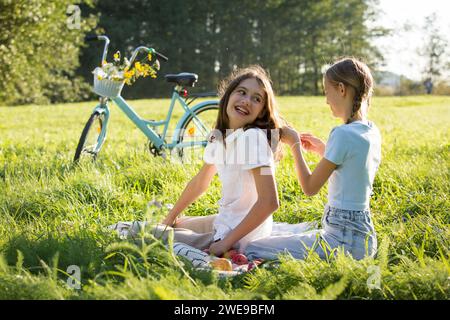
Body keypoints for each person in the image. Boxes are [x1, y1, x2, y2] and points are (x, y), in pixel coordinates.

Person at [117, 65, 286, 256]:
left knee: (132, 232)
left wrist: (225, 244)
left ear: (262, 112)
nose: (247, 101)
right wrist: (170, 218)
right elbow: (200, 182)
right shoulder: (220, 137)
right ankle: (174, 225)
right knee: (176, 224)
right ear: (228, 96)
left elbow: (269, 202)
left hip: (240, 237)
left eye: (256, 99)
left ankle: (217, 245)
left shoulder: (253, 139)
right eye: (242, 92)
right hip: (225, 222)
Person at [245, 57, 381, 261]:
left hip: (341, 242)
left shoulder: (342, 134)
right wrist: (323, 149)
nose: (326, 100)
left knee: (252, 248)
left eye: (327, 92)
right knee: (281, 233)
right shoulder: (370, 130)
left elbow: (309, 188)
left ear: (341, 89)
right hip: (364, 237)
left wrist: (295, 146)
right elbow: (353, 164)